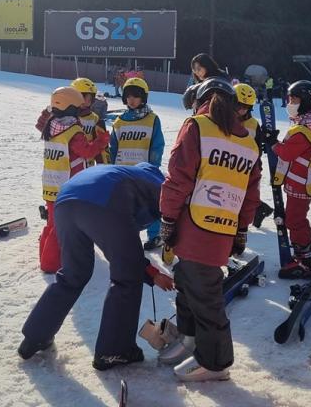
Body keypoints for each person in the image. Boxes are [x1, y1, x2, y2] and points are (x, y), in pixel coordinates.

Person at [18, 163, 175, 369]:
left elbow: (124, 246)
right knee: (126, 278)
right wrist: (155, 272)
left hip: (65, 202)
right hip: (103, 201)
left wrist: (150, 272)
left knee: (72, 275)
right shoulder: (160, 186)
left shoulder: (126, 176)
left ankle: (35, 337)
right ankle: (114, 351)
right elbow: (129, 255)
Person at [157, 77, 261, 382]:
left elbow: (178, 178)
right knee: (188, 285)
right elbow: (250, 195)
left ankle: (215, 363)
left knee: (205, 296)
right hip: (222, 228)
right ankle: (190, 339)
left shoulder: (197, 126)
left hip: (194, 225)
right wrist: (241, 230)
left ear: (200, 100)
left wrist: (166, 218)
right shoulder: (248, 142)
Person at [38, 87, 110, 273]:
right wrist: (102, 140)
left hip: (50, 181)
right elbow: (87, 151)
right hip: (67, 184)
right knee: (60, 227)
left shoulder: (51, 124)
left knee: (52, 223)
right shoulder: (73, 130)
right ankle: (50, 263)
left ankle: (46, 256)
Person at [265, 81, 311, 279]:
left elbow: (287, 153)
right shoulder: (307, 123)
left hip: (301, 182)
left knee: (295, 220)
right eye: (289, 98)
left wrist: (273, 143)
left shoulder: (304, 130)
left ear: (307, 102)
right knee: (295, 218)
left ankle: (305, 260)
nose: (289, 103)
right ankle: (303, 254)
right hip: (300, 180)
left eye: (294, 99)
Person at [110, 77, 165, 250]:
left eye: (136, 96)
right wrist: (112, 167)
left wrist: (152, 166)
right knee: (126, 206)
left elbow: (157, 145)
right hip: (123, 172)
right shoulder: (119, 122)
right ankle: (127, 235)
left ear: (143, 98)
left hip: (144, 172)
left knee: (149, 204)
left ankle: (155, 235)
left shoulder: (152, 119)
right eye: (128, 96)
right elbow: (114, 146)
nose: (131, 100)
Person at [233, 83, 274, 228]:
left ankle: (257, 210)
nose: (242, 110)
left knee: (245, 193)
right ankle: (260, 209)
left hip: (247, 165)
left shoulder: (253, 124)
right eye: (239, 105)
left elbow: (257, 147)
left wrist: (256, 165)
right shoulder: (225, 120)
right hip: (229, 162)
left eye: (246, 107)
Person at [71, 77, 110, 164]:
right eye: (82, 97)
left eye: (89, 99)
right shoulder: (66, 117)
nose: (85, 102)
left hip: (88, 169)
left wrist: (104, 167)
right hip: (68, 169)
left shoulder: (94, 119)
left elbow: (102, 148)